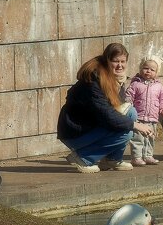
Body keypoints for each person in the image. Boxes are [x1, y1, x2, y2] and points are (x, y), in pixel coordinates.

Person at [57, 42, 153, 173]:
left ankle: (112, 159)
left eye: (123, 61)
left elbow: (117, 107)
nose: (120, 65)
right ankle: (83, 158)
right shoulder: (94, 80)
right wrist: (135, 125)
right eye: (115, 61)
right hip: (76, 132)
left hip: (92, 125)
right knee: (126, 133)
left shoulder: (115, 77)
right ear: (107, 60)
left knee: (131, 112)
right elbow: (106, 114)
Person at [124, 55, 163, 166]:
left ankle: (148, 155)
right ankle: (136, 157)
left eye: (152, 70)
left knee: (150, 138)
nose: (148, 71)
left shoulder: (159, 86)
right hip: (139, 118)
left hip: (152, 118)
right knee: (138, 138)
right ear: (140, 69)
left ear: (156, 72)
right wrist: (128, 105)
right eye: (145, 68)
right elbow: (129, 96)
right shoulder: (136, 84)